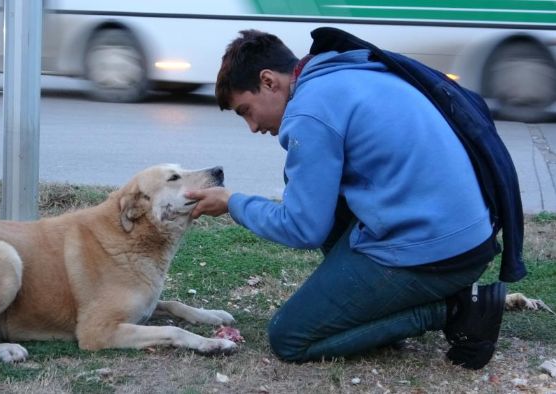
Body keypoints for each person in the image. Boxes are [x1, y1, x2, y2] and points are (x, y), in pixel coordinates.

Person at [185, 29, 512, 370]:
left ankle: (457, 309)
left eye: (246, 110)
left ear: (269, 81)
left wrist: (232, 202)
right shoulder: (345, 69)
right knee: (305, 188)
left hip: (438, 254)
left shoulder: (309, 112)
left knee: (289, 337)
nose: (252, 126)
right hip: (469, 235)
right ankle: (382, 313)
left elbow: (302, 228)